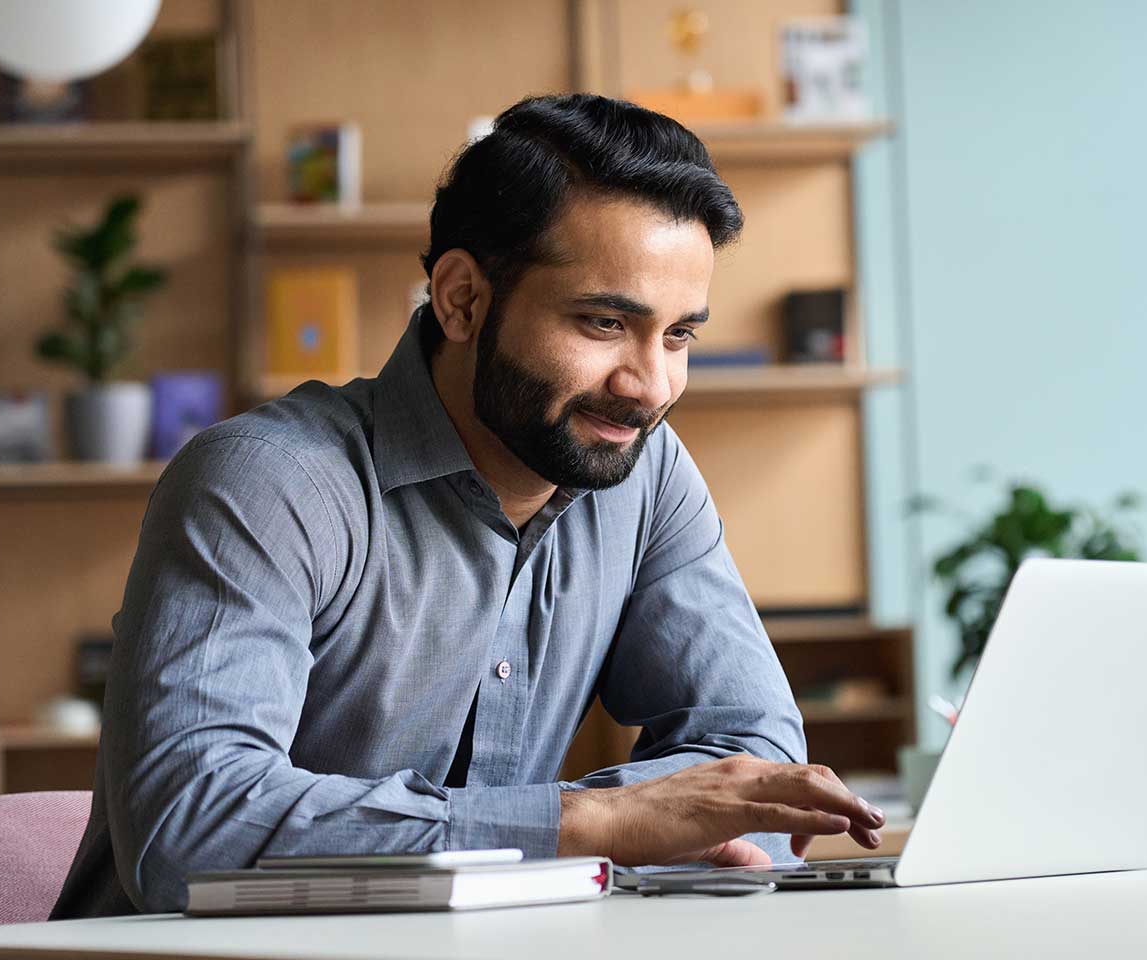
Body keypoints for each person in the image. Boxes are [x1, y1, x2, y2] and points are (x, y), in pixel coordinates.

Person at [51, 93, 884, 918]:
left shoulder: (646, 473)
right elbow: (191, 831)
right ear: (460, 299)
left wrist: (643, 825)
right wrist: (593, 823)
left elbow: (758, 760)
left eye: (678, 336)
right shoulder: (266, 483)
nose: (650, 387)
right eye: (602, 323)